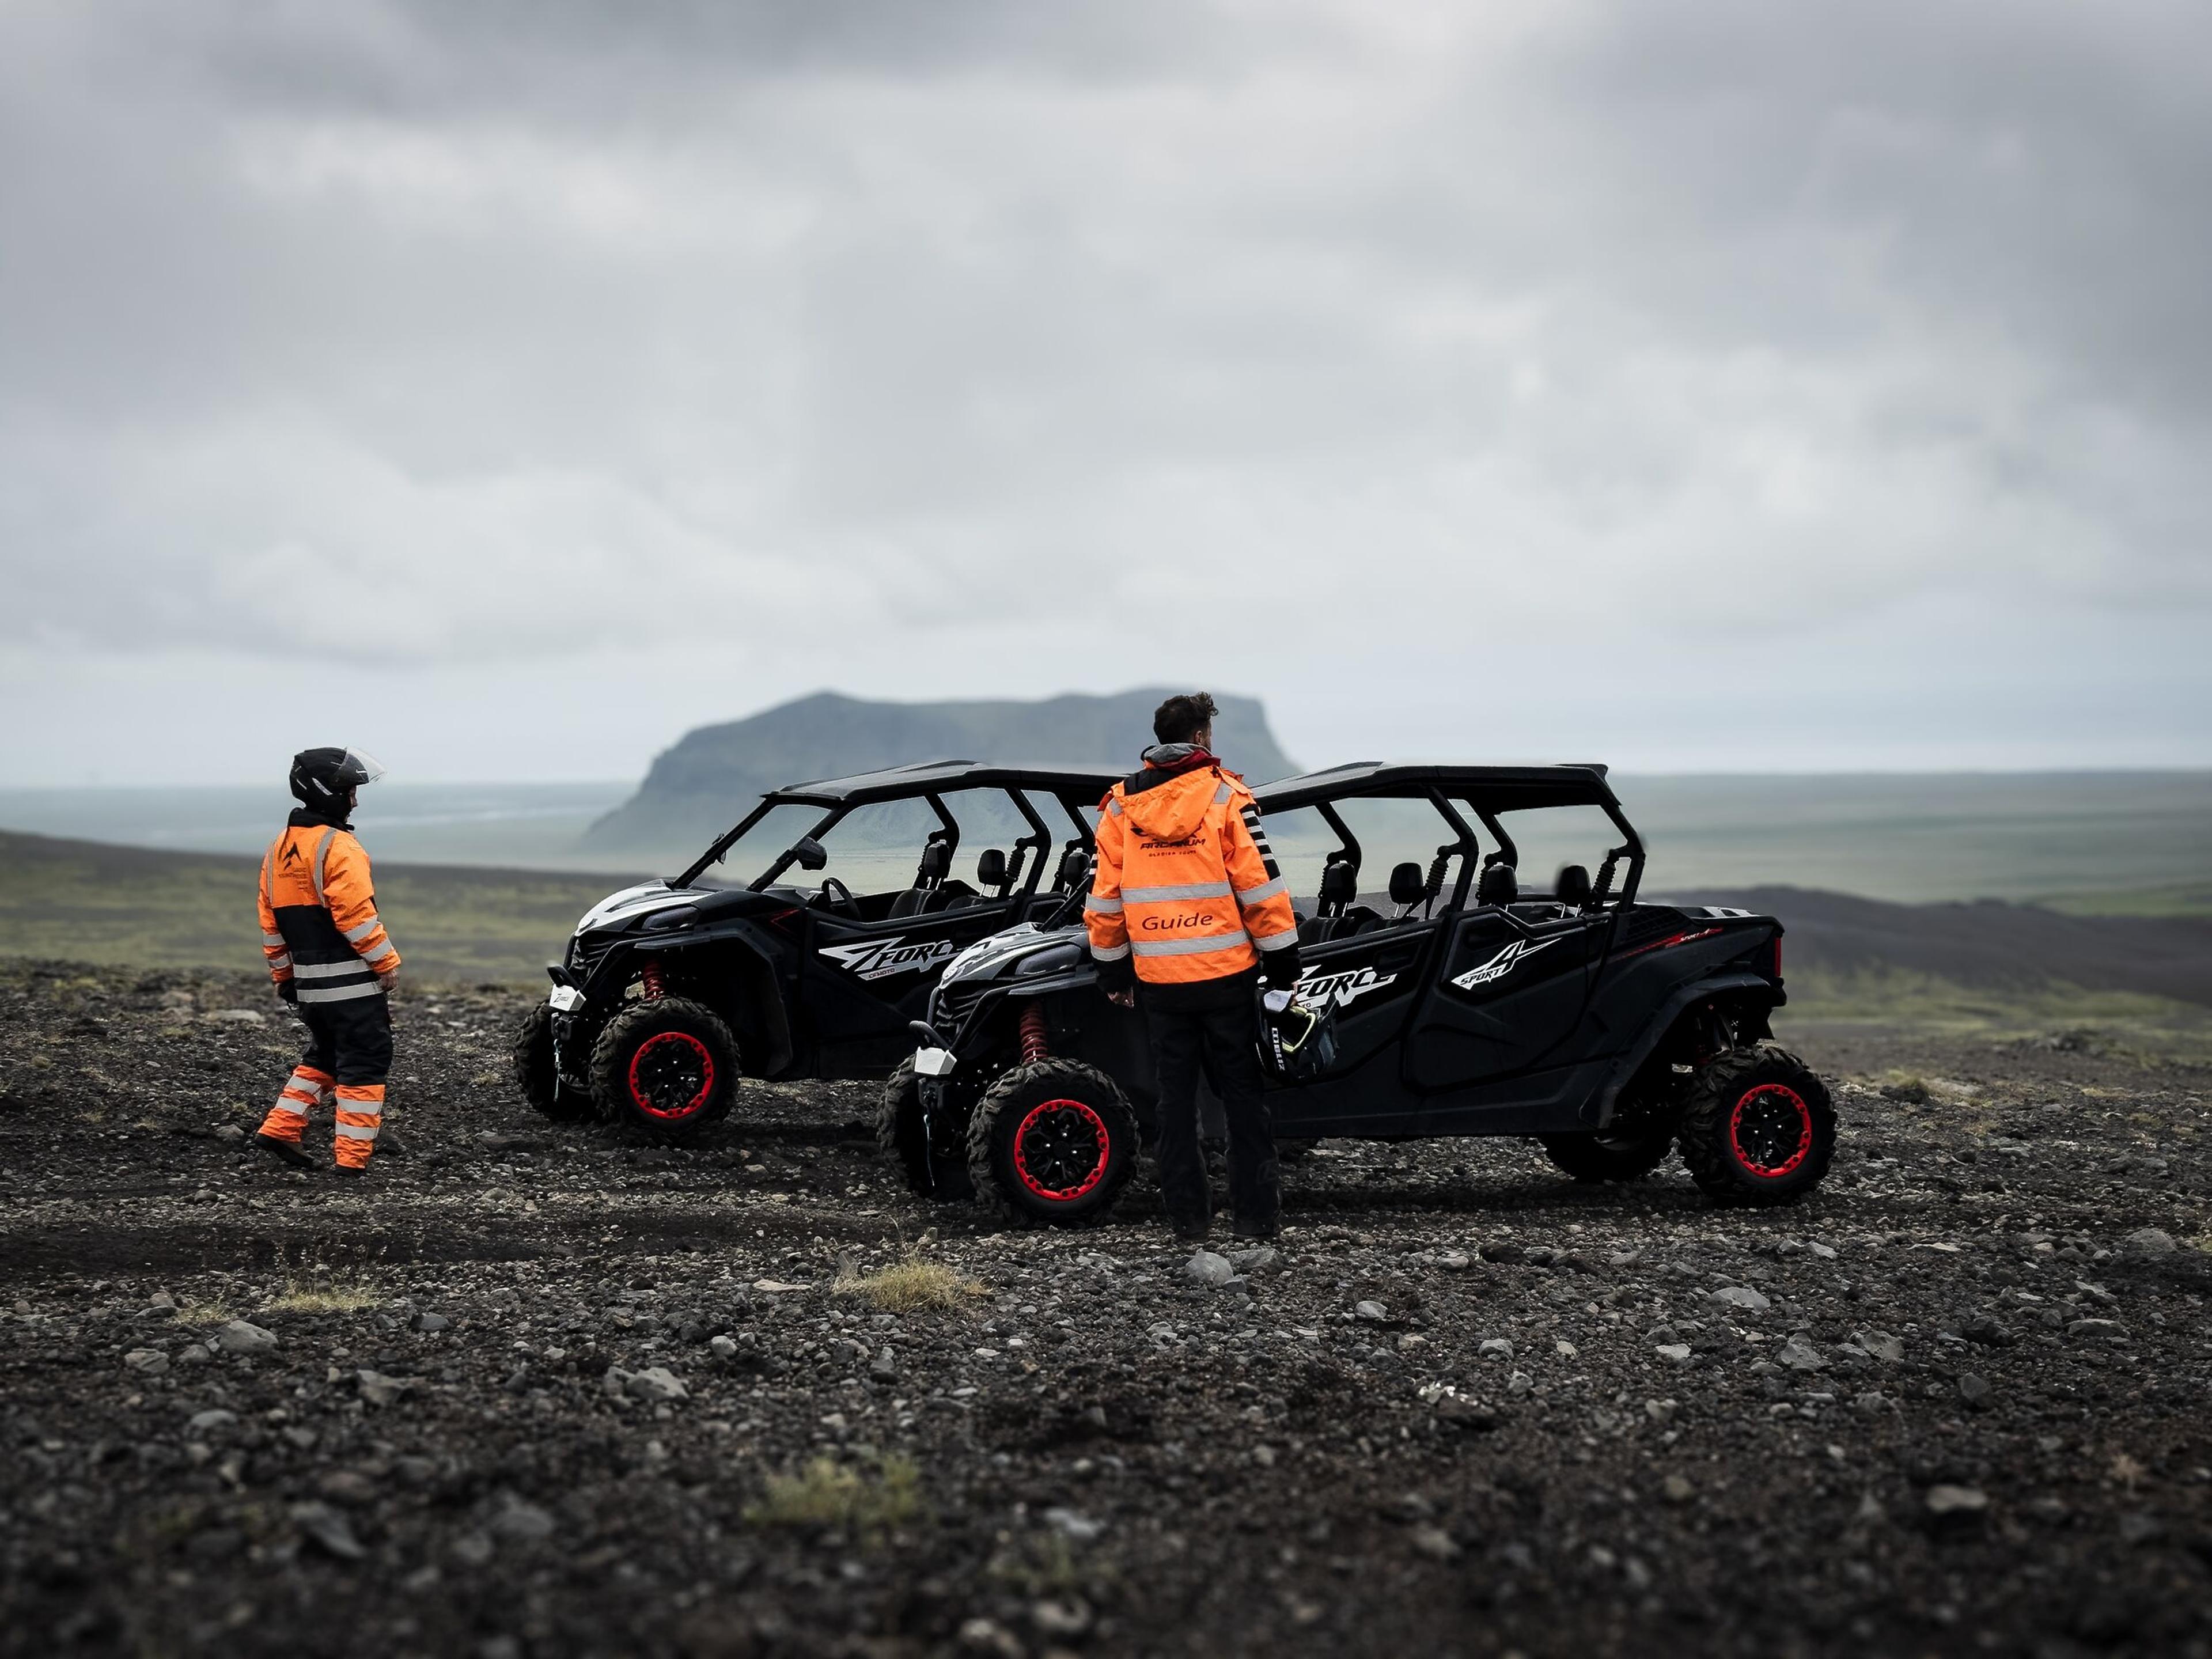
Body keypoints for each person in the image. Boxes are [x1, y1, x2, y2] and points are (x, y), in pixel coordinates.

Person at [1085, 692, 1301, 1244]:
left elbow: (1104, 899)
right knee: (1243, 1098)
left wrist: (1113, 971)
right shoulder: (1227, 797)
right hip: (1227, 976)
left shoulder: (1118, 807)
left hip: (1161, 983)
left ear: (1158, 739)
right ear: (1202, 738)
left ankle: (1189, 1222)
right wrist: (1282, 962)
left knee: (1175, 1102)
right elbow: (1260, 885)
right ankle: (1255, 1220)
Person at [253, 748, 401, 1177]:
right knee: (367, 1060)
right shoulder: (339, 846)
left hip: (309, 988)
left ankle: (281, 1127)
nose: (354, 800)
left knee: (326, 1054)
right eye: (350, 791)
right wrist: (384, 962)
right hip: (351, 984)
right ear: (327, 793)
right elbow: (355, 915)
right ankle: (351, 1161)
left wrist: (285, 976)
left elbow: (270, 923)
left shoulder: (278, 849)